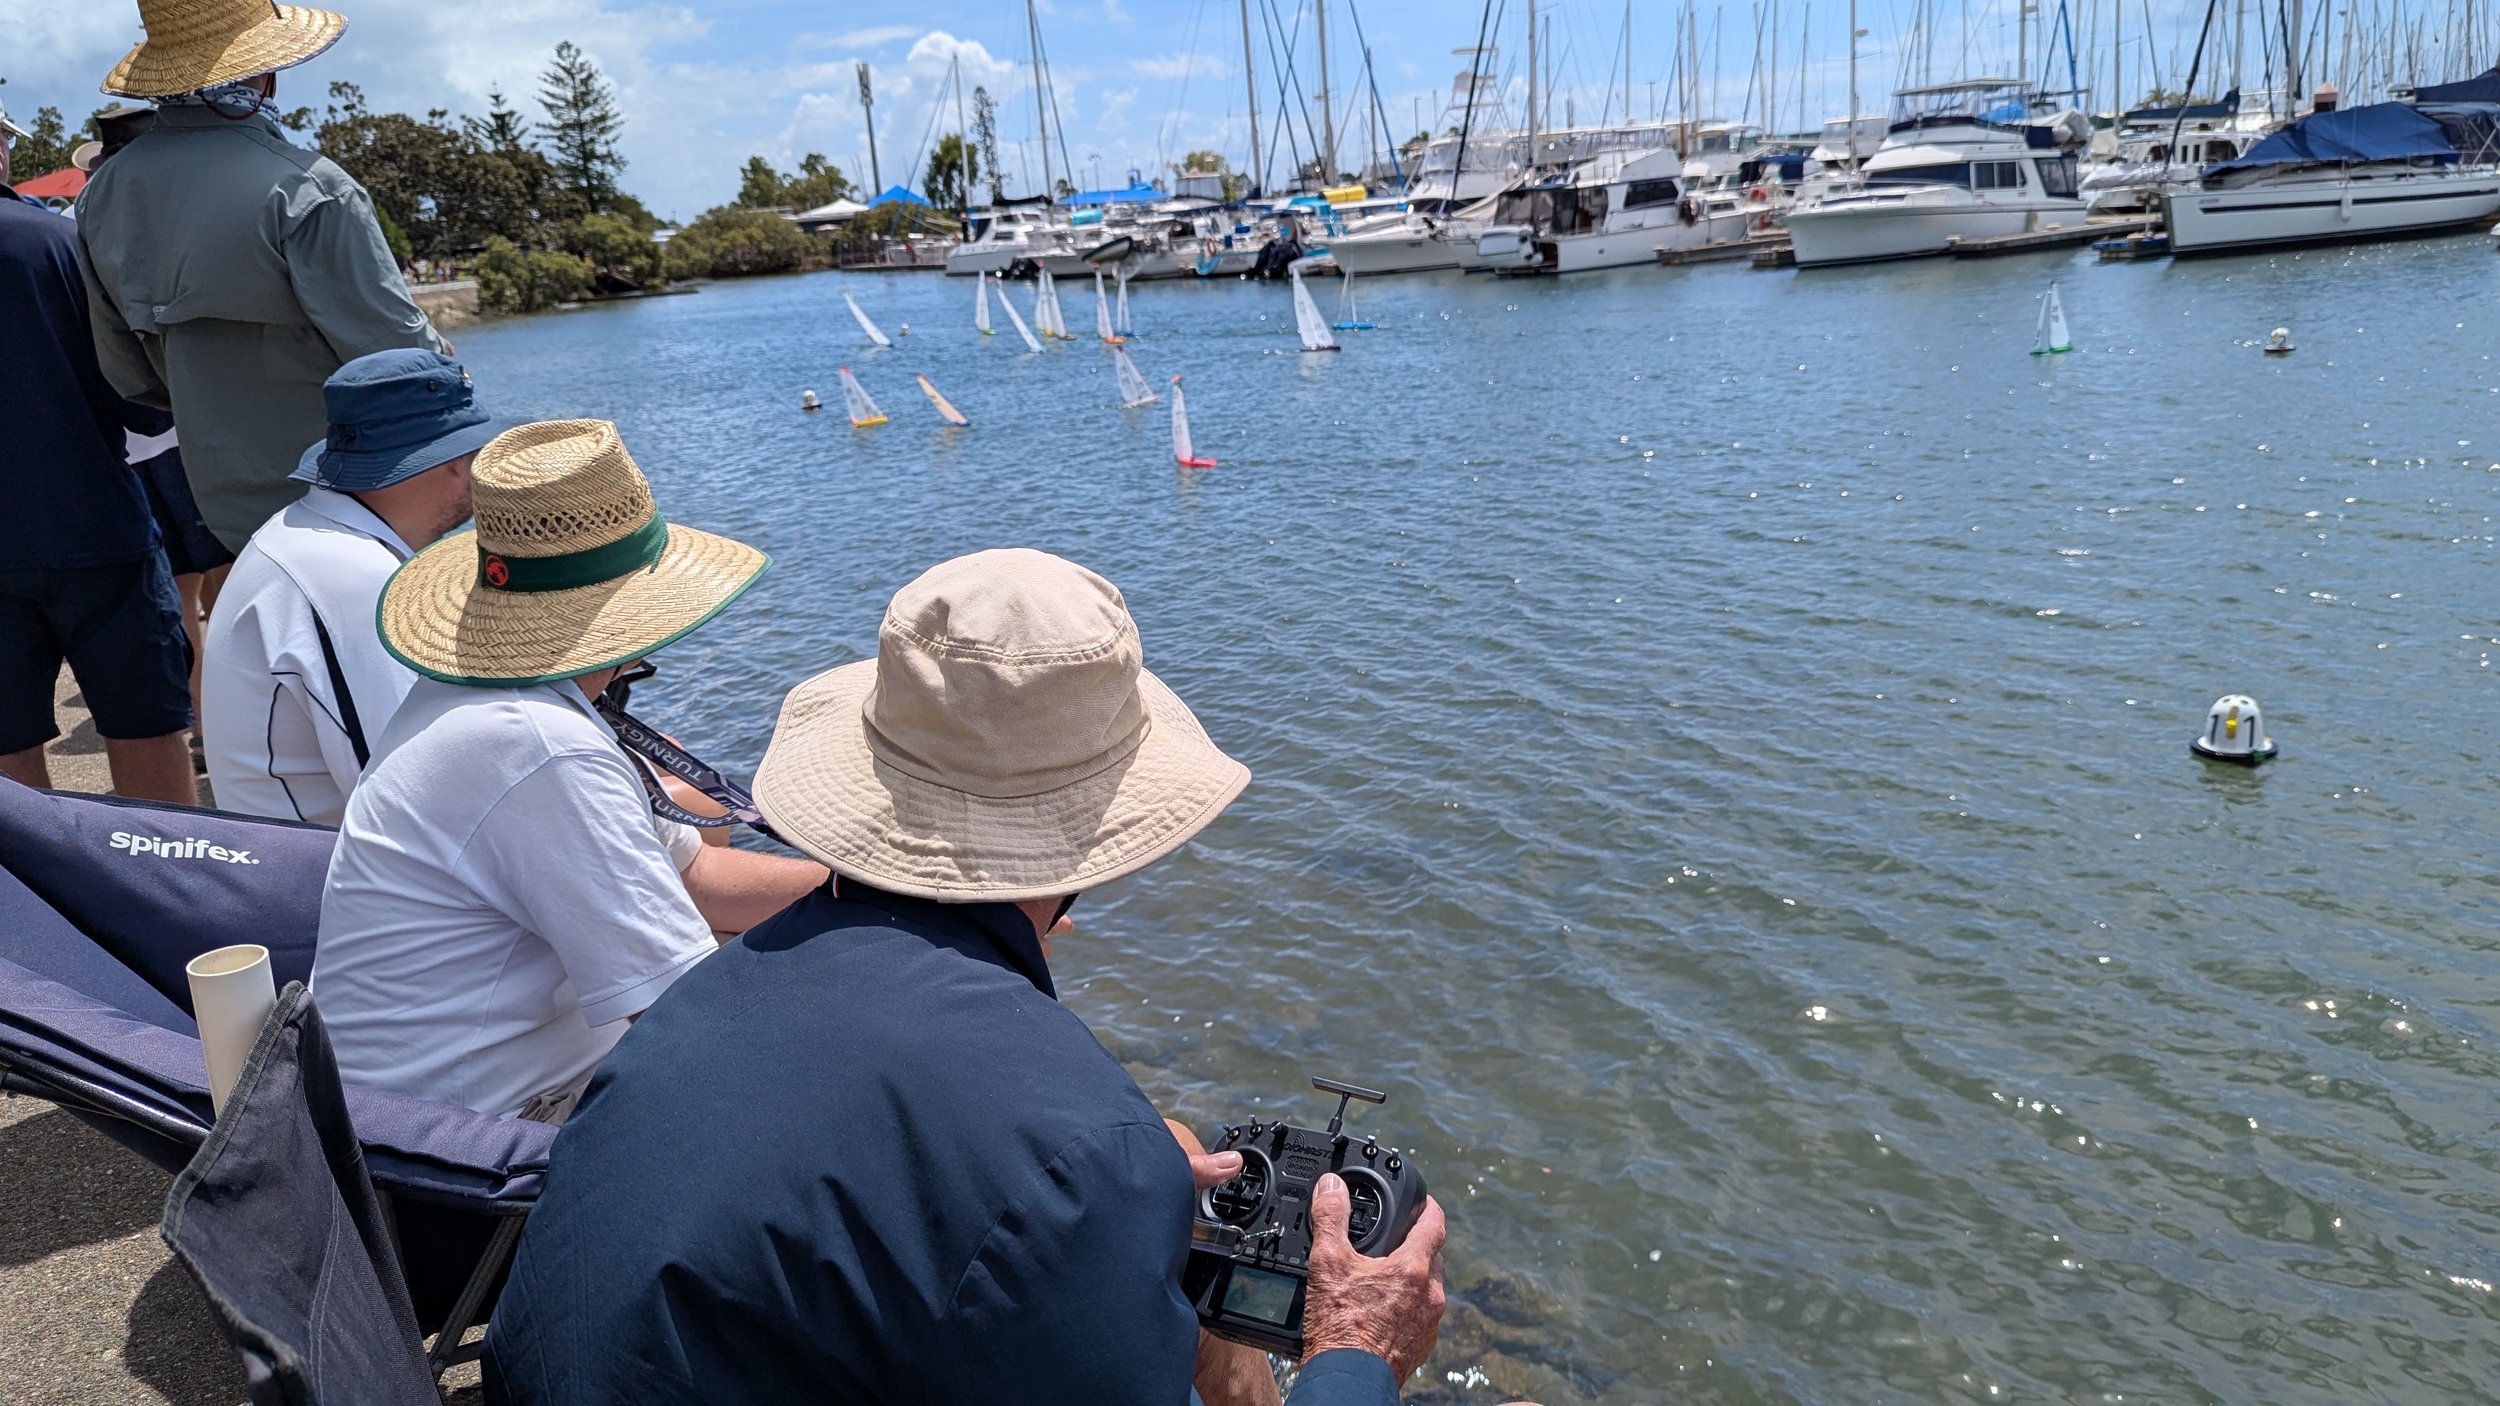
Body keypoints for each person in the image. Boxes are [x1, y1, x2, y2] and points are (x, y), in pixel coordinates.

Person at [484, 549, 1449, 1405]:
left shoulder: (710, 994)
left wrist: (1098, 1187)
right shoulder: (1070, 1145)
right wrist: (1358, 1347)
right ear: (1098, 848)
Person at [311, 419, 825, 1120]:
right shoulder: (542, 745)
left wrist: (887, 896)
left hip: (410, 1101)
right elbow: (682, 1022)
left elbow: (697, 878)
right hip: (472, 1141)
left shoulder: (487, 695)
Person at [77, 0, 447, 554]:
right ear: (264, 71)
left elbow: (130, 376)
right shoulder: (308, 189)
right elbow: (401, 363)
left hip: (232, 517)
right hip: (364, 504)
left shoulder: (100, 197)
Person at [201, 349, 507, 825]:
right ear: (452, 461)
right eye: (479, 449)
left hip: (311, 860)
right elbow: (414, 802)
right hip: (322, 884)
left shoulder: (309, 535)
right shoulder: (351, 579)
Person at [0, 97, 197, 805]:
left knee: (9, 758)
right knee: (146, 726)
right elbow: (133, 395)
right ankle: (175, 899)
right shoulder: (57, 244)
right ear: (2, 150)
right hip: (92, 525)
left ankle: (39, 909)